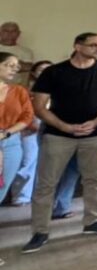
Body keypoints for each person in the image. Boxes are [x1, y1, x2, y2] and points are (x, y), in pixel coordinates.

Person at [24, 32, 97, 254]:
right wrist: (64, 126)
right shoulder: (54, 72)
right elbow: (39, 106)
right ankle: (40, 231)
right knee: (46, 183)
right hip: (58, 135)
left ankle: (93, 221)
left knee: (94, 179)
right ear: (77, 46)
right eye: (93, 45)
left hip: (95, 134)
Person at [7, 59, 52, 206]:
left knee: (46, 163)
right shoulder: (24, 90)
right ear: (33, 73)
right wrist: (29, 124)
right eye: (41, 70)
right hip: (29, 128)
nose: (45, 73)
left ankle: (37, 193)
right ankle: (20, 196)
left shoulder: (57, 90)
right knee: (28, 161)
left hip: (51, 128)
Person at [0, 52, 35, 202]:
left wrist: (6, 133)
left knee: (2, 185)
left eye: (17, 66)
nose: (15, 69)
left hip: (11, 141)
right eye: (10, 65)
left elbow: (27, 117)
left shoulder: (19, 91)